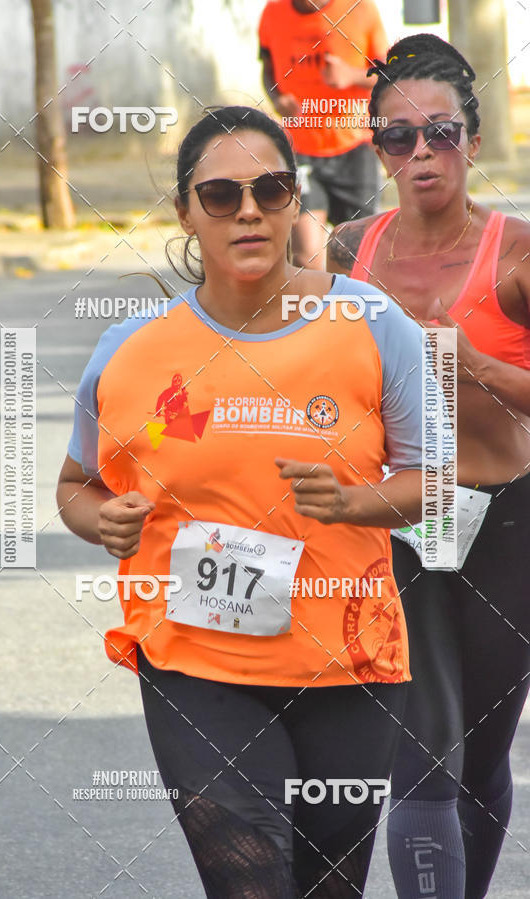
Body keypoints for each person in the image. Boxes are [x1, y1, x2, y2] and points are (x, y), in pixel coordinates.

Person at [57, 105, 429, 898]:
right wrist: (101, 520)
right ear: (186, 212)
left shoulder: (371, 323)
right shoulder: (129, 350)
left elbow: (430, 479)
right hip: (194, 660)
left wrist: (353, 502)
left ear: (296, 201)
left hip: (347, 663)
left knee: (327, 887)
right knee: (249, 882)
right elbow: (76, 485)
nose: (249, 210)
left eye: (271, 189)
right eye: (221, 195)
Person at [326, 33, 530, 899]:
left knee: (480, 753)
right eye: (399, 136)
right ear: (378, 149)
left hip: (506, 522)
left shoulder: (516, 255)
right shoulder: (346, 251)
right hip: (399, 524)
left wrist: (476, 367)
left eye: (441, 133)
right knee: (423, 752)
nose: (421, 153)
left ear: (472, 142)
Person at [258, 0, 387, 269]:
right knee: (307, 256)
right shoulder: (273, 12)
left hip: (354, 148)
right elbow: (268, 70)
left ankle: (347, 298)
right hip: (300, 151)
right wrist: (277, 98)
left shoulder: (360, 9)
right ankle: (315, 299)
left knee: (356, 256)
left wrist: (351, 75)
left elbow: (387, 75)